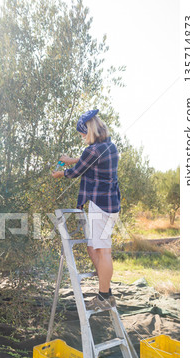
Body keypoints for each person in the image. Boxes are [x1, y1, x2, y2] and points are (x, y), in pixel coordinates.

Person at [51, 109, 120, 311]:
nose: (82, 138)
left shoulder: (91, 151)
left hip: (100, 206)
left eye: (82, 134)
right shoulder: (109, 146)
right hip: (110, 204)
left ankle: (105, 296)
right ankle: (104, 288)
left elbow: (76, 172)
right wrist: (70, 159)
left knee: (103, 250)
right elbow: (88, 163)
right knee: (93, 247)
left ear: (88, 131)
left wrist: (60, 173)